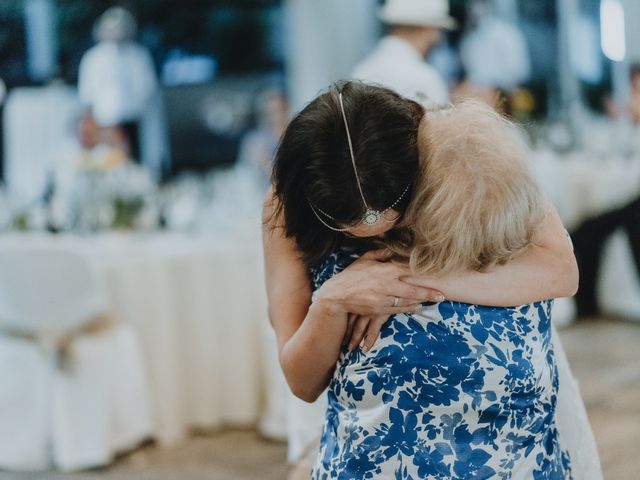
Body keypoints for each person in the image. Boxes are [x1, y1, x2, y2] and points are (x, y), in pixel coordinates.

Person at [263, 82, 600, 477]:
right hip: (374, 462)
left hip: (513, 450)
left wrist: (404, 276)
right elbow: (301, 382)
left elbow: (560, 271)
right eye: (342, 218)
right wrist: (332, 303)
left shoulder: (467, 155)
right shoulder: (286, 208)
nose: (374, 226)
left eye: (393, 204)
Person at [78, 6, 158, 163]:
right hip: (104, 116)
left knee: (134, 154)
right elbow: (87, 90)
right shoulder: (94, 57)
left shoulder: (138, 55)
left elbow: (146, 85)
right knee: (108, 156)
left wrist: (140, 102)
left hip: (133, 114)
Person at [351, 0, 454, 106]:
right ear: (430, 29)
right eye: (438, 30)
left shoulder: (361, 71)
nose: (438, 37)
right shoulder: (425, 78)